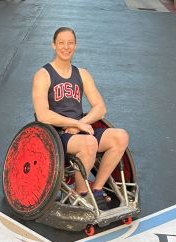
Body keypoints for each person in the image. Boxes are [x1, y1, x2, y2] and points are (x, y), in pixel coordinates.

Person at [31, 27, 129, 210]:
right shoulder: (43, 75)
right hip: (55, 135)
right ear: (54, 45)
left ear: (75, 45)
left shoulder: (82, 74)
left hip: (79, 130)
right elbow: (43, 115)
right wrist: (75, 124)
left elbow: (100, 108)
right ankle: (80, 191)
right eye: (61, 43)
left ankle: (97, 189)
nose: (66, 47)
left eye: (70, 43)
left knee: (120, 136)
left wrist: (81, 124)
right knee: (89, 143)